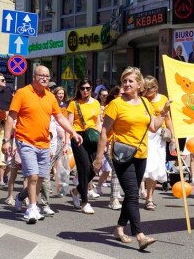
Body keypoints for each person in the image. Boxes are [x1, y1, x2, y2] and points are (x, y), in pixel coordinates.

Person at [93, 67, 170, 250]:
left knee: (131, 194)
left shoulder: (145, 102)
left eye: (130, 81)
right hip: (121, 155)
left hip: (141, 154)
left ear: (139, 84)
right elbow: (104, 132)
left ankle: (119, 228)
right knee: (133, 194)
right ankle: (139, 234)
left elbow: (153, 126)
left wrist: (164, 112)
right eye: (124, 81)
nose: (127, 84)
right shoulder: (116, 104)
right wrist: (98, 157)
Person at [3, 65, 82, 224]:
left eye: (47, 76)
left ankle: (21, 197)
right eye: (42, 75)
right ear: (34, 77)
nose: (45, 78)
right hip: (25, 141)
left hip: (44, 143)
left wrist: (73, 133)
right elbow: (11, 118)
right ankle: (32, 208)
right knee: (32, 175)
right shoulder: (22, 93)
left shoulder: (50, 97)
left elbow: (60, 118)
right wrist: (6, 141)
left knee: (40, 177)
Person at [66, 78, 102, 214]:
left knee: (93, 169)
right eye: (83, 88)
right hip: (78, 137)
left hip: (93, 136)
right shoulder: (74, 104)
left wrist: (99, 136)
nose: (85, 91)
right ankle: (85, 202)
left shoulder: (96, 103)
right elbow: (69, 123)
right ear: (79, 89)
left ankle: (76, 191)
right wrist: (72, 136)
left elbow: (98, 122)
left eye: (88, 88)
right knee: (84, 168)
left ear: (91, 88)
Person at [141, 75, 175, 211]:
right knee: (145, 166)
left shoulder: (163, 99)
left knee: (155, 167)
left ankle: (149, 198)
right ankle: (141, 189)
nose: (144, 91)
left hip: (159, 137)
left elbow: (168, 118)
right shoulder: (142, 100)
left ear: (155, 88)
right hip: (144, 135)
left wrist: (173, 136)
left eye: (147, 89)